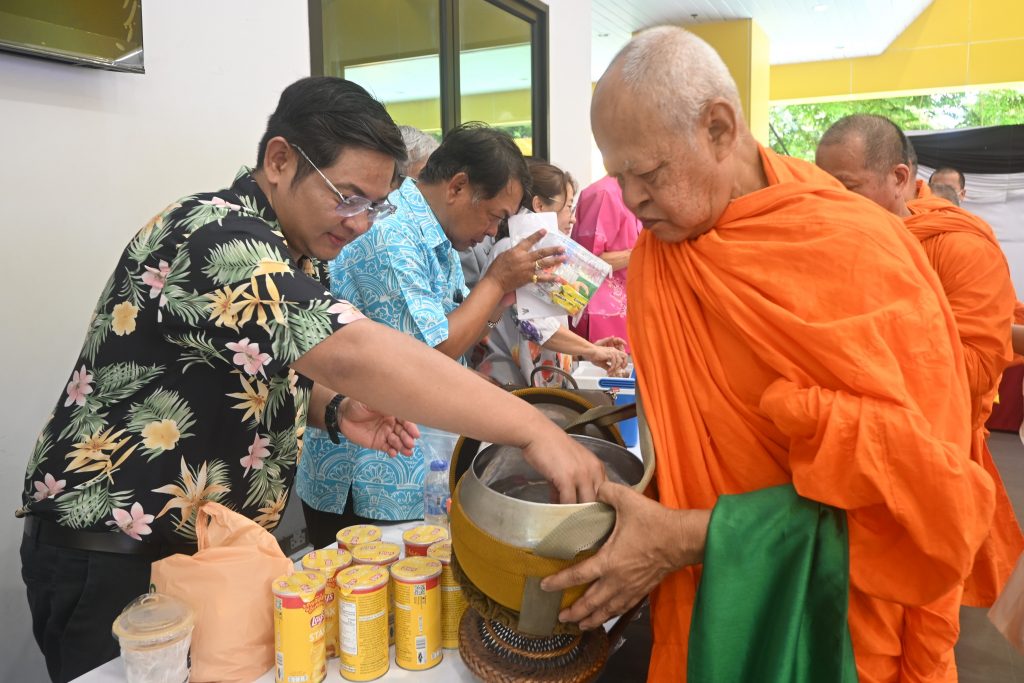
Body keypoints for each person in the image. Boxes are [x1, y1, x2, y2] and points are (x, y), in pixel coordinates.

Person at [17, 78, 604, 683]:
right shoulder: (216, 236)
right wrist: (532, 428)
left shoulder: (292, 255)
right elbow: (355, 351)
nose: (359, 224)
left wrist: (336, 408)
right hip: (118, 554)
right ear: (279, 161)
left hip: (207, 556)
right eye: (348, 197)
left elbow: (260, 365)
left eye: (374, 206)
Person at [541, 27, 997, 683]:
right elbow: (687, 440)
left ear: (720, 129)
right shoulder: (658, 262)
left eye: (646, 173)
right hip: (704, 603)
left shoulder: (859, 250)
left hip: (835, 624)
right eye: (618, 178)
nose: (632, 201)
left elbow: (929, 497)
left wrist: (688, 535)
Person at [296, 123, 573, 547]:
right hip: (370, 475)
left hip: (414, 467)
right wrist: (495, 281)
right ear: (458, 186)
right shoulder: (393, 235)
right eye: (494, 216)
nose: (490, 233)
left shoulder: (436, 239)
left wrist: (501, 302)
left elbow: (460, 334)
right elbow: (433, 352)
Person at [816, 113, 1023, 609]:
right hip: (847, 446)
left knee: (919, 606)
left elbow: (973, 372)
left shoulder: (959, 244)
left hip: (929, 449)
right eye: (825, 187)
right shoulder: (832, 235)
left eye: (847, 186)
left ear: (899, 179)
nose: (833, 202)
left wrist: (865, 339)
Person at [477, 160, 629, 387]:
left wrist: (586, 352)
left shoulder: (538, 254)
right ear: (539, 205)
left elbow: (546, 334)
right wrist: (591, 349)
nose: (573, 218)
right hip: (509, 386)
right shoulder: (513, 251)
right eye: (569, 207)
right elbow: (535, 327)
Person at [570, 175, 642, 351]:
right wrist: (642, 253)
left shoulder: (638, 189)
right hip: (603, 311)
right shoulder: (604, 192)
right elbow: (587, 260)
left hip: (633, 305)